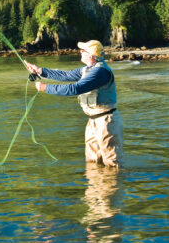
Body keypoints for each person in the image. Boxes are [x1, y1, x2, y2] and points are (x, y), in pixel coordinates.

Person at [24, 40, 124, 168]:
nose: (80, 52)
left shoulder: (99, 72)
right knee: (93, 162)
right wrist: (39, 71)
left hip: (106, 122)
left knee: (112, 164)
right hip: (93, 121)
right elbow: (65, 75)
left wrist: (45, 88)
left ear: (91, 55)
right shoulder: (88, 69)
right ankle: (95, 187)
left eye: (83, 50)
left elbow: (74, 89)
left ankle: (113, 186)